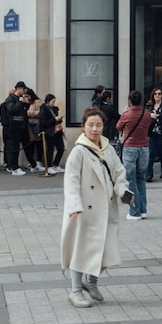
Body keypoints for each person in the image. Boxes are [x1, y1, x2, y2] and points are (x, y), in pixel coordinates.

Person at [60, 107, 130, 308]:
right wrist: (74, 205)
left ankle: (91, 282)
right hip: (84, 211)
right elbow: (71, 181)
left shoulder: (108, 148)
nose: (94, 129)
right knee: (80, 250)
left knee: (106, 250)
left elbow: (119, 173)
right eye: (90, 125)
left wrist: (123, 191)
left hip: (106, 209)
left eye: (98, 125)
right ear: (84, 127)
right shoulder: (78, 151)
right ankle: (75, 291)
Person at [117, 90, 150, 219]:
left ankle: (134, 211)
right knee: (141, 179)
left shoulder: (127, 114)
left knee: (131, 180)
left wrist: (125, 112)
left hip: (130, 147)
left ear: (129, 101)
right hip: (144, 147)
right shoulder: (146, 114)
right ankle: (143, 210)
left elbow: (118, 127)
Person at [1, 82, 29, 175]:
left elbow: (24, 112)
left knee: (16, 147)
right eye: (23, 89)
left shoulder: (20, 99)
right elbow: (12, 110)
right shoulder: (11, 99)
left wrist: (26, 103)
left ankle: (14, 166)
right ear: (18, 89)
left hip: (20, 126)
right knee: (13, 147)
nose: (24, 91)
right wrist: (20, 102)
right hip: (13, 126)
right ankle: (13, 167)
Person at [145, 87, 162, 181]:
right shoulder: (149, 106)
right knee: (151, 154)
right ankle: (149, 174)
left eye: (159, 94)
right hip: (151, 132)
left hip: (161, 132)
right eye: (155, 94)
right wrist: (150, 115)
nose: (157, 96)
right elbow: (144, 116)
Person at [42, 93, 66, 174]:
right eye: (52, 102)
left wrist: (59, 119)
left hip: (57, 130)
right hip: (49, 131)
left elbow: (57, 118)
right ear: (48, 102)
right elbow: (43, 122)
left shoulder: (55, 109)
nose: (54, 103)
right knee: (50, 149)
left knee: (61, 148)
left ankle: (56, 164)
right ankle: (49, 166)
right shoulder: (43, 109)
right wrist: (54, 119)